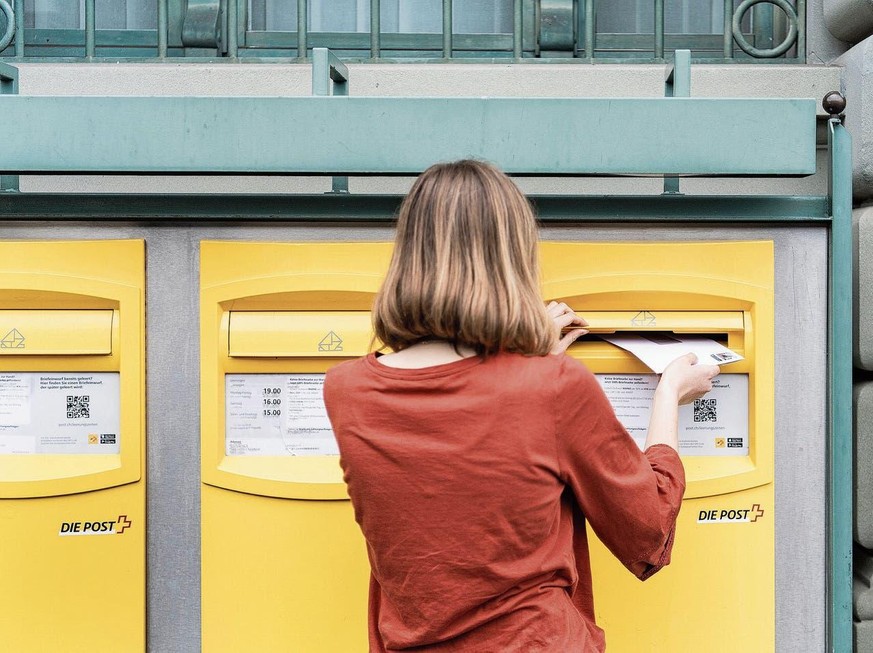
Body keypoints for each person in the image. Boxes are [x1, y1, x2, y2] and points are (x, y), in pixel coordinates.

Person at [323, 159, 719, 652]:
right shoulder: (553, 388)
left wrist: (530, 361)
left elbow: (457, 468)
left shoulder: (346, 391)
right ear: (512, 260)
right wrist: (669, 395)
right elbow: (648, 530)